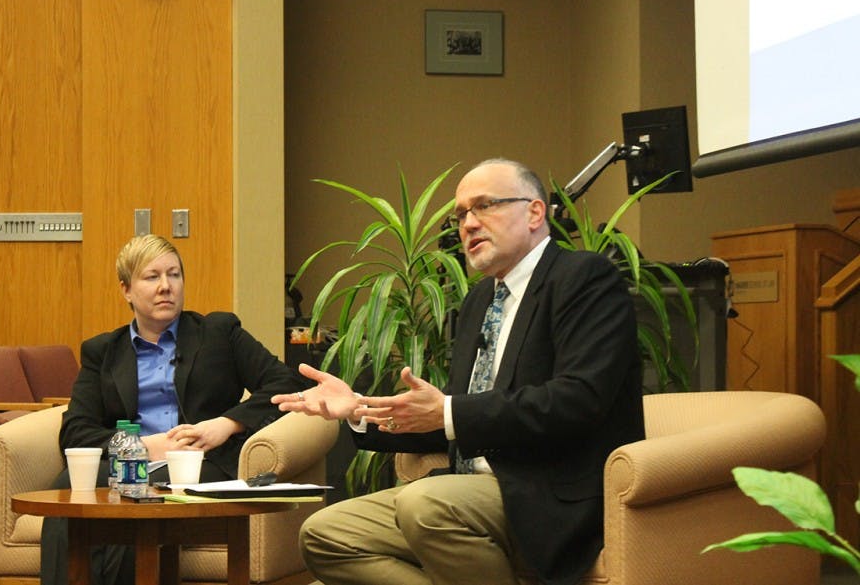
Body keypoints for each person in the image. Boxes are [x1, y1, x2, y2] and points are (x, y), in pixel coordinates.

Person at [272, 158, 645, 585]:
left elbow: (578, 399)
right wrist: (359, 409)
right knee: (325, 534)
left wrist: (449, 412)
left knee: (426, 504)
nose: (467, 224)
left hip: (551, 495)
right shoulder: (478, 302)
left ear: (535, 212)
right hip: (467, 492)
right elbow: (451, 418)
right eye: (461, 214)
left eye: (484, 206)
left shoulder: (583, 278)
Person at [41, 233, 309, 585]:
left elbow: (286, 383)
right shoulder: (103, 351)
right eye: (152, 277)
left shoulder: (219, 333)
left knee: (133, 493)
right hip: (134, 464)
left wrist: (227, 423)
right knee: (69, 488)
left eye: (174, 275)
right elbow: (76, 430)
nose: (166, 286)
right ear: (126, 290)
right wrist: (143, 447)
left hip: (198, 465)